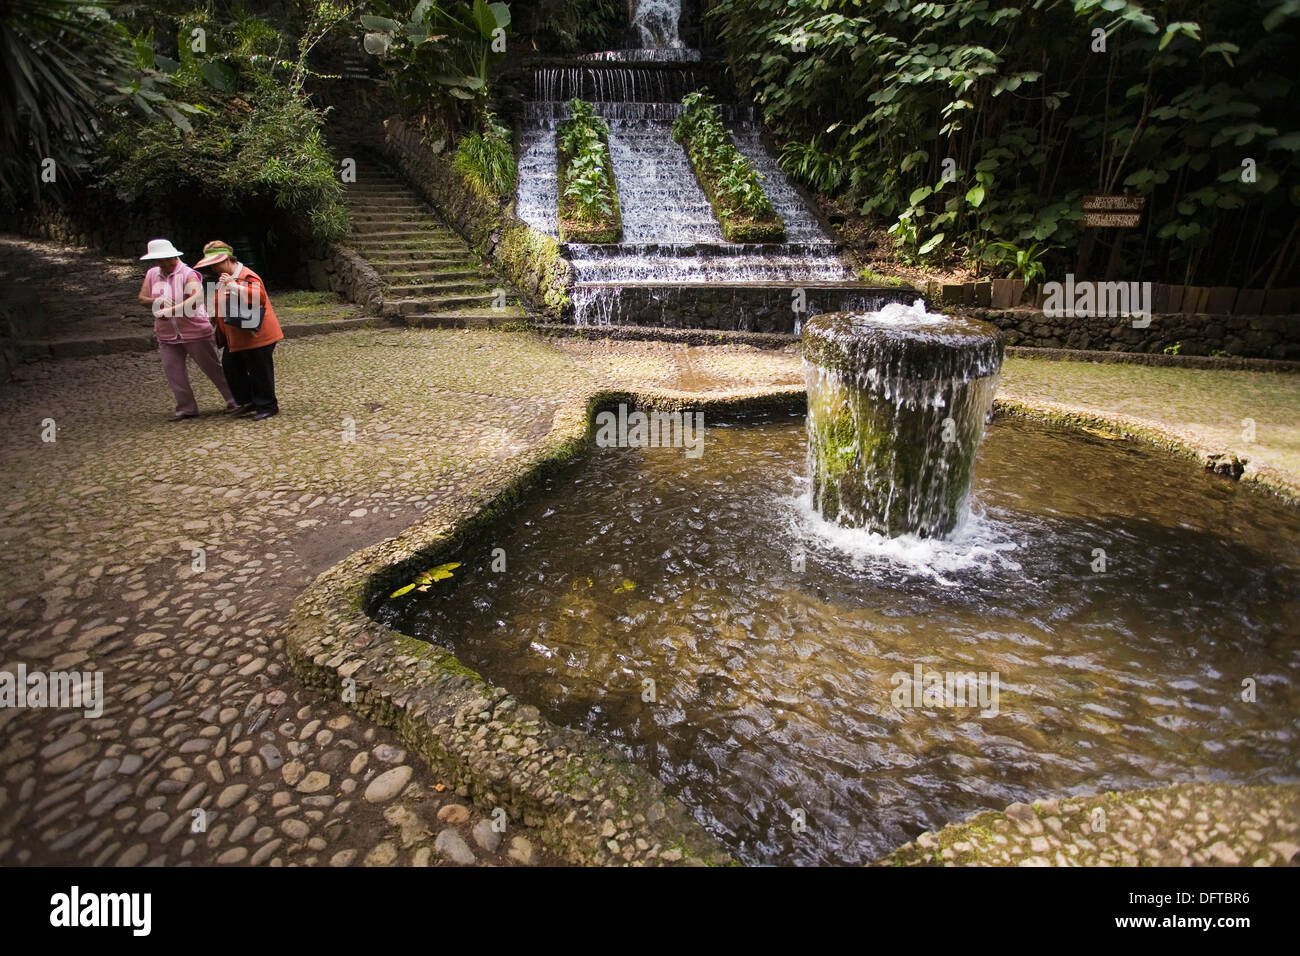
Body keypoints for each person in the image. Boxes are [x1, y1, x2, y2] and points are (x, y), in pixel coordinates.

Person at [136, 238, 238, 421]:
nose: (165, 263)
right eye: (161, 260)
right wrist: (156, 302)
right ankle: (186, 407)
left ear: (175, 256)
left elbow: (195, 299)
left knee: (213, 368)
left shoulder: (187, 273)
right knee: (173, 371)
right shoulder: (152, 274)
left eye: (168, 259)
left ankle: (234, 400)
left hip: (195, 331)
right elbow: (142, 298)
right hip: (166, 332)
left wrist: (171, 309)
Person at [194, 240, 284, 420]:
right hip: (235, 336)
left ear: (227, 259)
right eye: (210, 265)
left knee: (259, 370)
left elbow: (259, 298)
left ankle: (267, 405)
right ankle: (248, 401)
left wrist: (234, 286)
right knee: (231, 367)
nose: (213, 268)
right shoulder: (222, 277)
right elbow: (217, 300)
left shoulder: (246, 275)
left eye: (215, 264)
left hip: (256, 335)